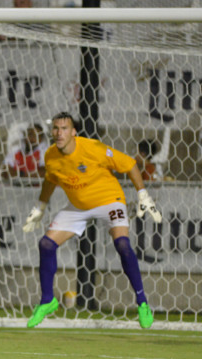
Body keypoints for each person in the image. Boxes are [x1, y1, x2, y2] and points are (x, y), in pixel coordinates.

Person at [22, 112, 163, 329]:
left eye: (64, 129)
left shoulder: (92, 148)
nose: (59, 133)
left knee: (122, 244)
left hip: (109, 200)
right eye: (56, 129)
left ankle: (142, 303)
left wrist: (142, 194)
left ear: (73, 132)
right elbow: (50, 180)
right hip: (78, 206)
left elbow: (129, 164)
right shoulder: (51, 155)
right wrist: (40, 206)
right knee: (46, 244)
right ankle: (47, 300)